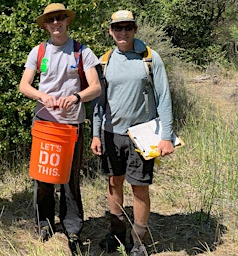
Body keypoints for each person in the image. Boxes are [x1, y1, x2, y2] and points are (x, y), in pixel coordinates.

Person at [90, 10, 175, 256]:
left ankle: (138, 242)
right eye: (118, 28)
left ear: (135, 29)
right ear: (110, 31)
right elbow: (99, 102)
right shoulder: (104, 60)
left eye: (127, 27)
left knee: (139, 187)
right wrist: (96, 134)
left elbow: (164, 97)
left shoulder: (150, 58)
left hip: (142, 135)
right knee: (114, 183)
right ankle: (116, 233)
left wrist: (166, 136)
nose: (123, 32)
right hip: (110, 133)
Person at [18, 3, 101, 253]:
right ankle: (44, 223)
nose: (56, 23)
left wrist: (76, 97)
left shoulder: (81, 51)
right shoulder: (39, 51)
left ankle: (72, 227)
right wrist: (42, 96)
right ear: (45, 24)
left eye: (60, 18)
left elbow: (95, 87)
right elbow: (24, 85)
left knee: (70, 178)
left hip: (71, 125)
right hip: (44, 123)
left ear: (67, 21)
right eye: (51, 19)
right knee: (43, 177)